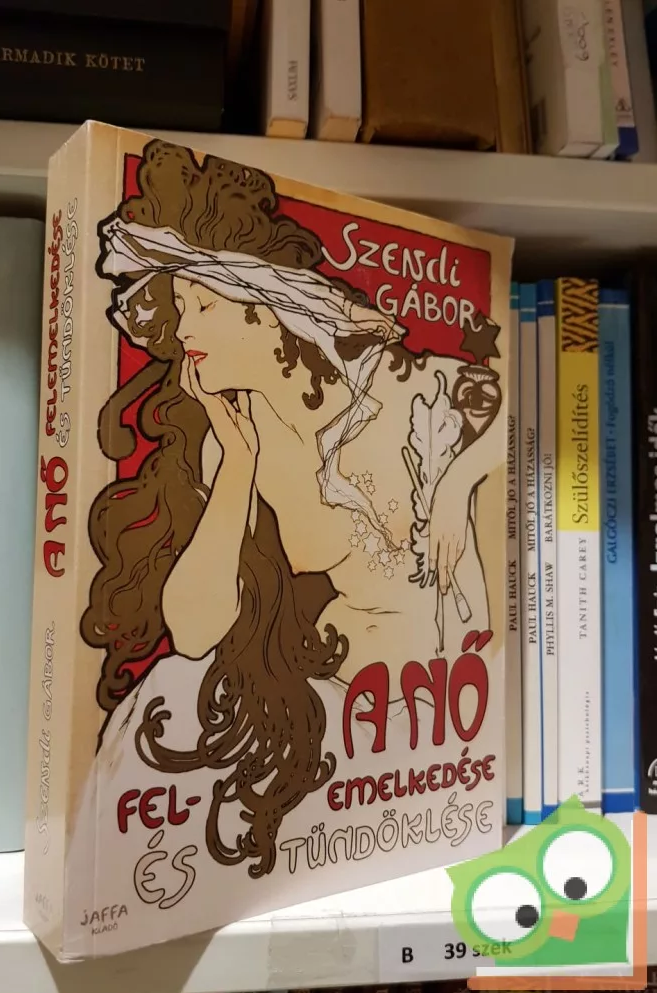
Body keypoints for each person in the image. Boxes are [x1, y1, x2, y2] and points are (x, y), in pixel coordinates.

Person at [80, 140, 502, 879]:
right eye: (182, 310)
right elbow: (194, 630)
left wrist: (459, 480)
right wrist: (239, 461)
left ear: (265, 313)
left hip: (446, 718)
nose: (184, 333)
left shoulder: (394, 385)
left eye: (202, 307)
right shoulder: (229, 444)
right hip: (347, 721)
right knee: (160, 710)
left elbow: (507, 413)